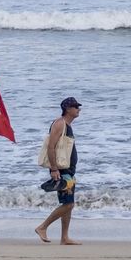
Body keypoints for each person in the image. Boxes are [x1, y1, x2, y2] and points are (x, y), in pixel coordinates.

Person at [35, 96, 82, 245]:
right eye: (75, 107)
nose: (78, 109)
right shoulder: (59, 124)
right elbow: (51, 146)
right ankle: (43, 227)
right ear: (68, 109)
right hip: (61, 170)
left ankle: (64, 237)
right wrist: (54, 169)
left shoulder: (67, 125)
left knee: (69, 204)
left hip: (68, 169)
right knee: (68, 204)